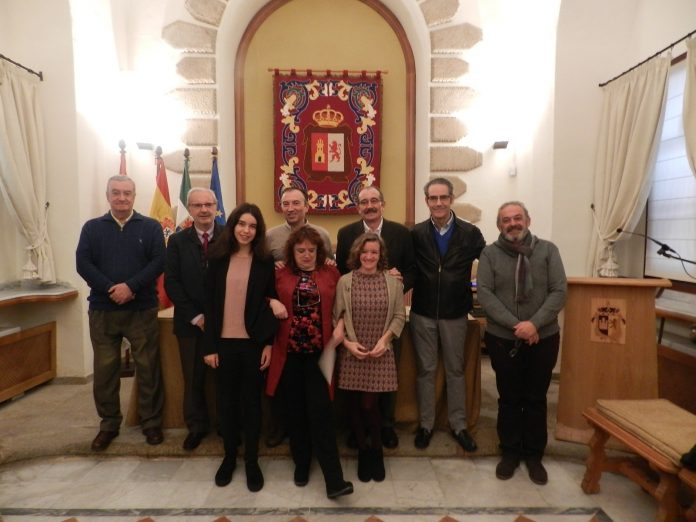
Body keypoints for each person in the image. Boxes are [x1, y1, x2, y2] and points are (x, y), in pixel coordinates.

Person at [476, 201, 567, 485]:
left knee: (536, 398)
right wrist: (519, 326)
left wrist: (534, 324)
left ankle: (534, 455)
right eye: (506, 220)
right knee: (510, 397)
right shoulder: (489, 254)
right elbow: (486, 294)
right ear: (499, 225)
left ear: (528, 219)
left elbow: (559, 291)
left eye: (517, 218)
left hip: (544, 337)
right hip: (504, 339)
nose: (512, 223)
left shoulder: (548, 250)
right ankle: (511, 452)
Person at [76, 175, 165, 451]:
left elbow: (159, 261)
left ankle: (151, 422)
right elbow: (83, 264)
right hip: (104, 309)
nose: (122, 198)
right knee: (105, 370)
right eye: (116, 193)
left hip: (141, 308)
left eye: (127, 193)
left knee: (148, 367)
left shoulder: (150, 227)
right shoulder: (92, 228)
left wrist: (131, 287)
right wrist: (110, 288)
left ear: (135, 196)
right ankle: (109, 424)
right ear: (108, 196)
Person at [266, 226, 353, 499]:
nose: (306, 255)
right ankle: (301, 464)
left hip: (320, 354)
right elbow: (260, 295)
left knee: (322, 414)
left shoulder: (331, 273)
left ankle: (334, 479)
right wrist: (270, 301)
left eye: (311, 250)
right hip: (289, 355)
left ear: (320, 251)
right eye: (300, 250)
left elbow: (343, 305)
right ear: (292, 252)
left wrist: (340, 327)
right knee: (296, 412)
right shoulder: (279, 274)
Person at [202, 203, 278, 493]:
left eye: (253, 226)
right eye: (242, 224)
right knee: (226, 404)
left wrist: (269, 344)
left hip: (253, 344)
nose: (246, 230)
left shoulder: (264, 261)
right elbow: (208, 304)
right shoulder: (217, 258)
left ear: (258, 231)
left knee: (251, 404)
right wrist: (209, 346)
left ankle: (251, 461)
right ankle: (229, 457)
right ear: (232, 225)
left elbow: (270, 302)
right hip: (222, 344)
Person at [335, 185, 415, 448]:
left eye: (374, 201)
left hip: (387, 316)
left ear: (383, 203)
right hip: (356, 320)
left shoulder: (401, 233)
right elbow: (340, 274)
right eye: (363, 202)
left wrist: (402, 280)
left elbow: (414, 269)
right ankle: (355, 428)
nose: (369, 205)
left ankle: (386, 426)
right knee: (355, 384)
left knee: (387, 377)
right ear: (358, 207)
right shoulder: (346, 233)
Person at [410, 177, 486, 452]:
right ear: (426, 201)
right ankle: (426, 425)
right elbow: (407, 269)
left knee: (455, 370)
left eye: (443, 197)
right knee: (426, 371)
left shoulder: (470, 233)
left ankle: (459, 425)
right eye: (433, 198)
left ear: (451, 199)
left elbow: (488, 265)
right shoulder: (416, 233)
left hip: (456, 313)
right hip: (423, 312)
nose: (438, 203)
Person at [264, 184, 333, 448]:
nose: (291, 208)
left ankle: (314, 432)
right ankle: (281, 427)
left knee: (314, 387)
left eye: (296, 203)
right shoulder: (270, 237)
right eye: (286, 203)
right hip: (282, 321)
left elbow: (328, 265)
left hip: (315, 321)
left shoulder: (322, 234)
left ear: (307, 206)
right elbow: (262, 273)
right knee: (282, 381)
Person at [334, 232, 405, 482]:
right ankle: (363, 452)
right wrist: (347, 344)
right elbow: (337, 318)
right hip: (353, 352)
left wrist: (385, 341)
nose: (369, 256)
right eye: (364, 252)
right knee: (353, 405)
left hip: (380, 352)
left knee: (369, 405)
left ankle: (376, 449)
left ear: (380, 255)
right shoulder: (345, 281)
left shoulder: (394, 283)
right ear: (357, 254)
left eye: (374, 252)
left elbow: (399, 316)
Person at [164, 187, 222, 451]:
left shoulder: (228, 237)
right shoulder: (177, 241)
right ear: (189, 209)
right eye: (198, 205)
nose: (204, 210)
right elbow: (173, 284)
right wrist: (197, 317)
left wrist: (219, 317)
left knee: (224, 377)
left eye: (208, 204)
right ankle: (196, 427)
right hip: (190, 323)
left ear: (216, 206)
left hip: (224, 323)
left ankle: (225, 425)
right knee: (193, 377)